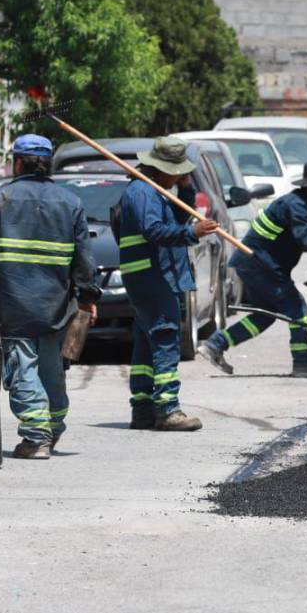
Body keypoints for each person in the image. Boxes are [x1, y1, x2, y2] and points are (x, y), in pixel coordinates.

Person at [0, 134, 100, 459]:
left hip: (17, 304)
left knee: (22, 369)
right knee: (52, 371)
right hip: (58, 307)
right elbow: (84, 258)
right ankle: (52, 431)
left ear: (17, 162)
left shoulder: (1, 199)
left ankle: (36, 436)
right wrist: (87, 297)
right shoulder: (70, 202)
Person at [197, 161, 307, 376]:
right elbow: (306, 239)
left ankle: (215, 345)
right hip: (259, 264)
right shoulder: (296, 205)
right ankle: (303, 364)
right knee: (296, 309)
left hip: (260, 265)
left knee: (264, 317)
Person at [116, 137, 220, 431]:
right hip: (150, 276)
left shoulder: (157, 190)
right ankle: (167, 409)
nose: (179, 176)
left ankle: (143, 409)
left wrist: (186, 188)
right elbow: (155, 230)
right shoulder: (142, 192)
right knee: (164, 337)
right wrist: (193, 233)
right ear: (161, 168)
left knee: (148, 343)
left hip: (156, 276)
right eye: (177, 171)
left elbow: (175, 218)